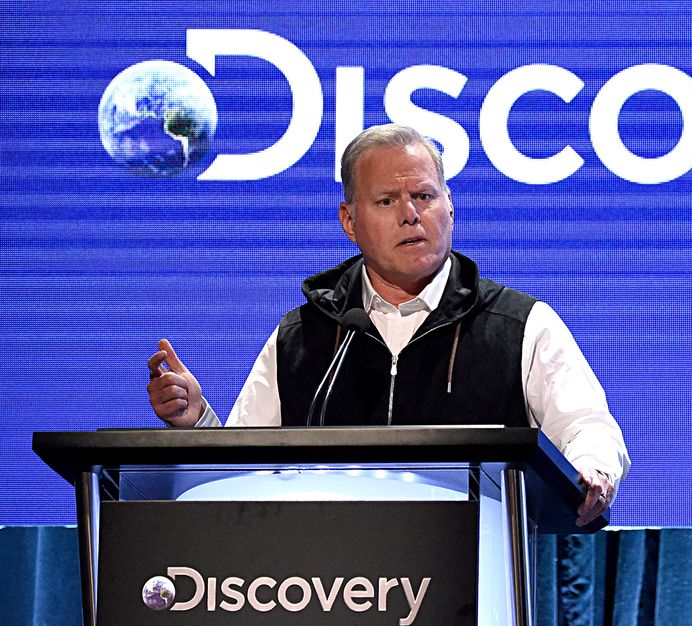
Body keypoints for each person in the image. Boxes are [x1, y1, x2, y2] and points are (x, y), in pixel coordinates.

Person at [146, 123, 628, 526]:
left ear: (451, 207)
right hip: (323, 592)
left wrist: (592, 471)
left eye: (424, 195)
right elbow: (245, 470)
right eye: (386, 201)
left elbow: (588, 428)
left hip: (476, 590)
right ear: (349, 221)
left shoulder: (519, 324)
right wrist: (196, 424)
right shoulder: (304, 336)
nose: (411, 215)